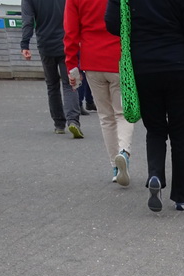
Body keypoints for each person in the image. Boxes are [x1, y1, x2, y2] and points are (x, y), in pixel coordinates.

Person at [105, 0, 184, 212]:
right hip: (178, 67)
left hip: (143, 68)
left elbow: (111, 23)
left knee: (155, 130)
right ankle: (181, 197)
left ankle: (155, 175)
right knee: (179, 134)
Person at [64, 0, 134, 185]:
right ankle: (124, 151)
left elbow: (70, 33)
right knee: (123, 113)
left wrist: (72, 66)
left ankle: (115, 166)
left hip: (92, 61)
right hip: (119, 59)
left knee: (105, 117)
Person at [21, 0, 83, 136]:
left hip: (45, 45)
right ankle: (73, 121)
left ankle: (59, 124)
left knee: (52, 85)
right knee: (69, 84)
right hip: (67, 44)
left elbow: (28, 20)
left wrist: (25, 44)